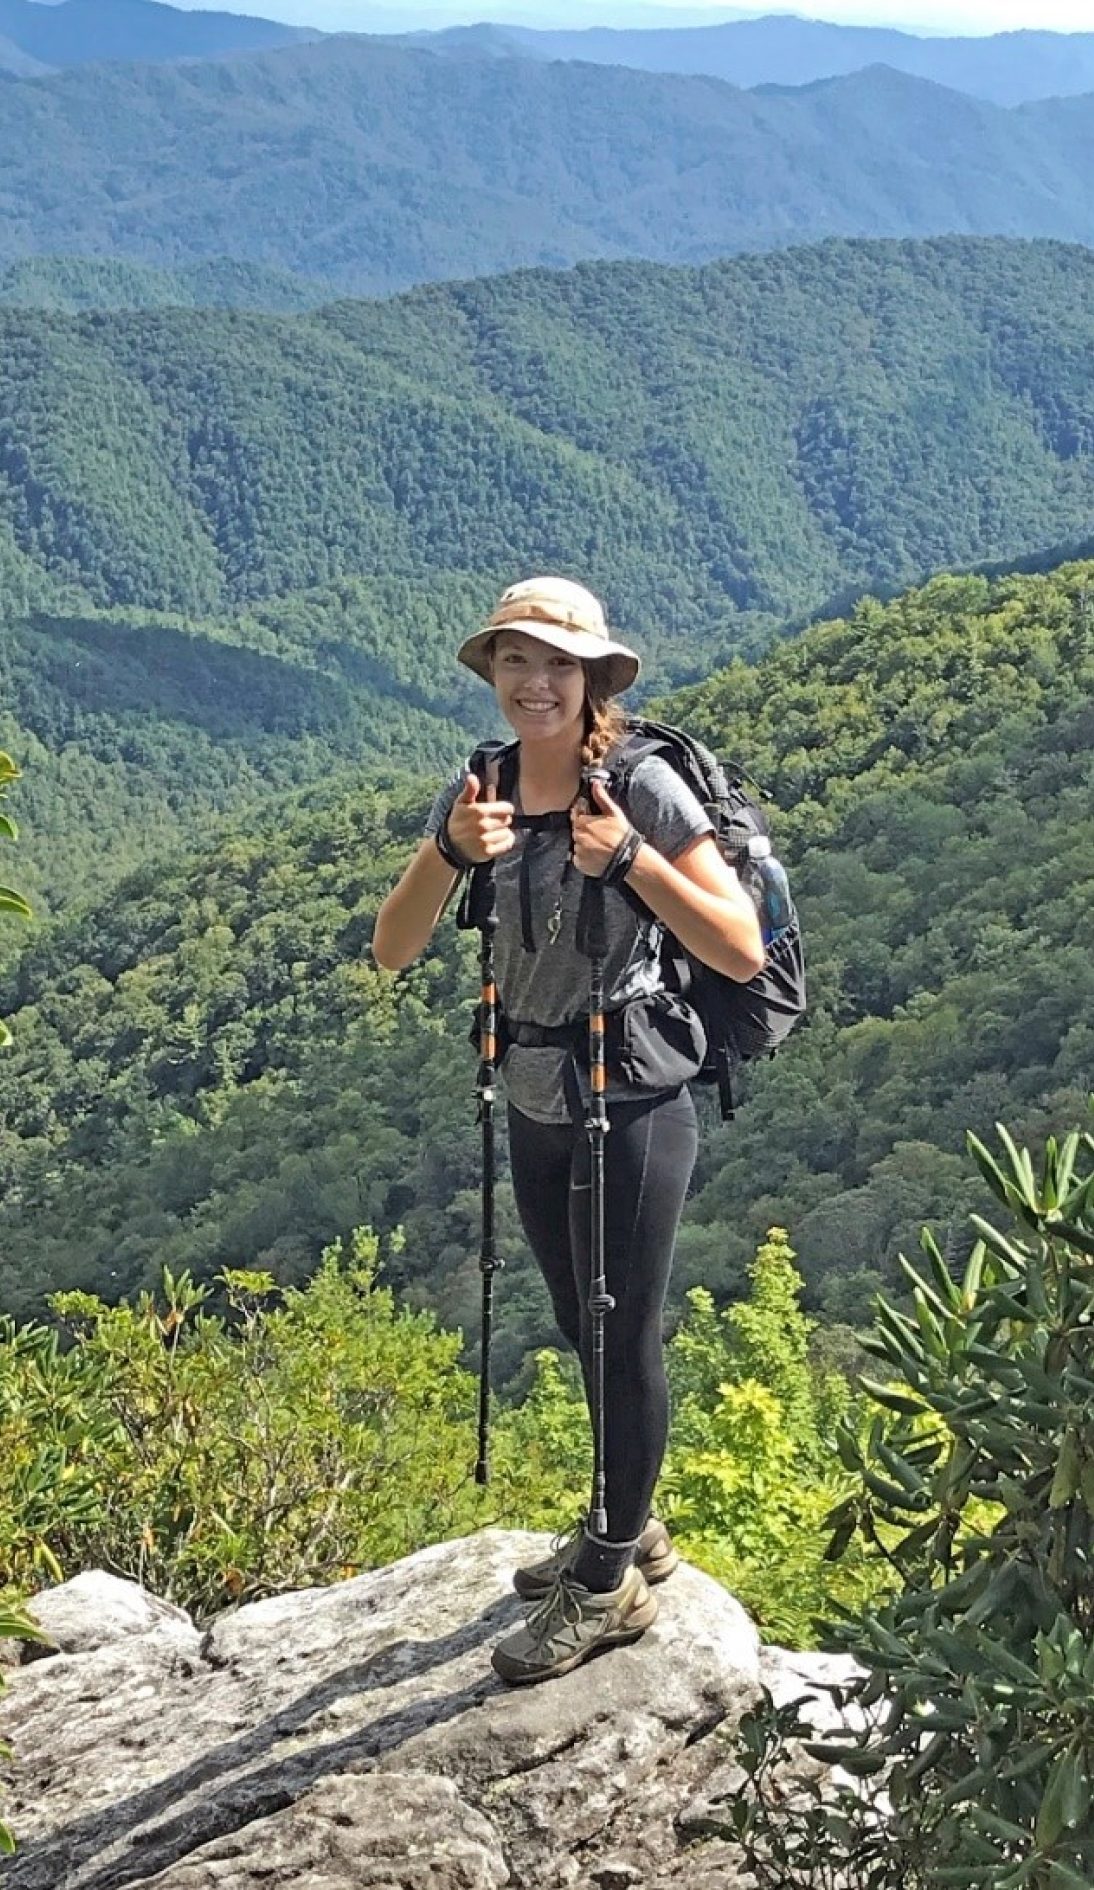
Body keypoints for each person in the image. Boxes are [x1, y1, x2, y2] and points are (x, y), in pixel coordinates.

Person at [372, 576, 764, 1684]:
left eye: (556, 664)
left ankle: (607, 1586)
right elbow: (391, 948)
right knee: (574, 1316)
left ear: (594, 678)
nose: (534, 683)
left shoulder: (640, 788)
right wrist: (451, 851)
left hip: (633, 1095)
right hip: (538, 1088)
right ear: (493, 674)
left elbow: (739, 948)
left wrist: (630, 862)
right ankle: (627, 1522)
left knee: (622, 1322)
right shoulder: (483, 788)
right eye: (514, 662)